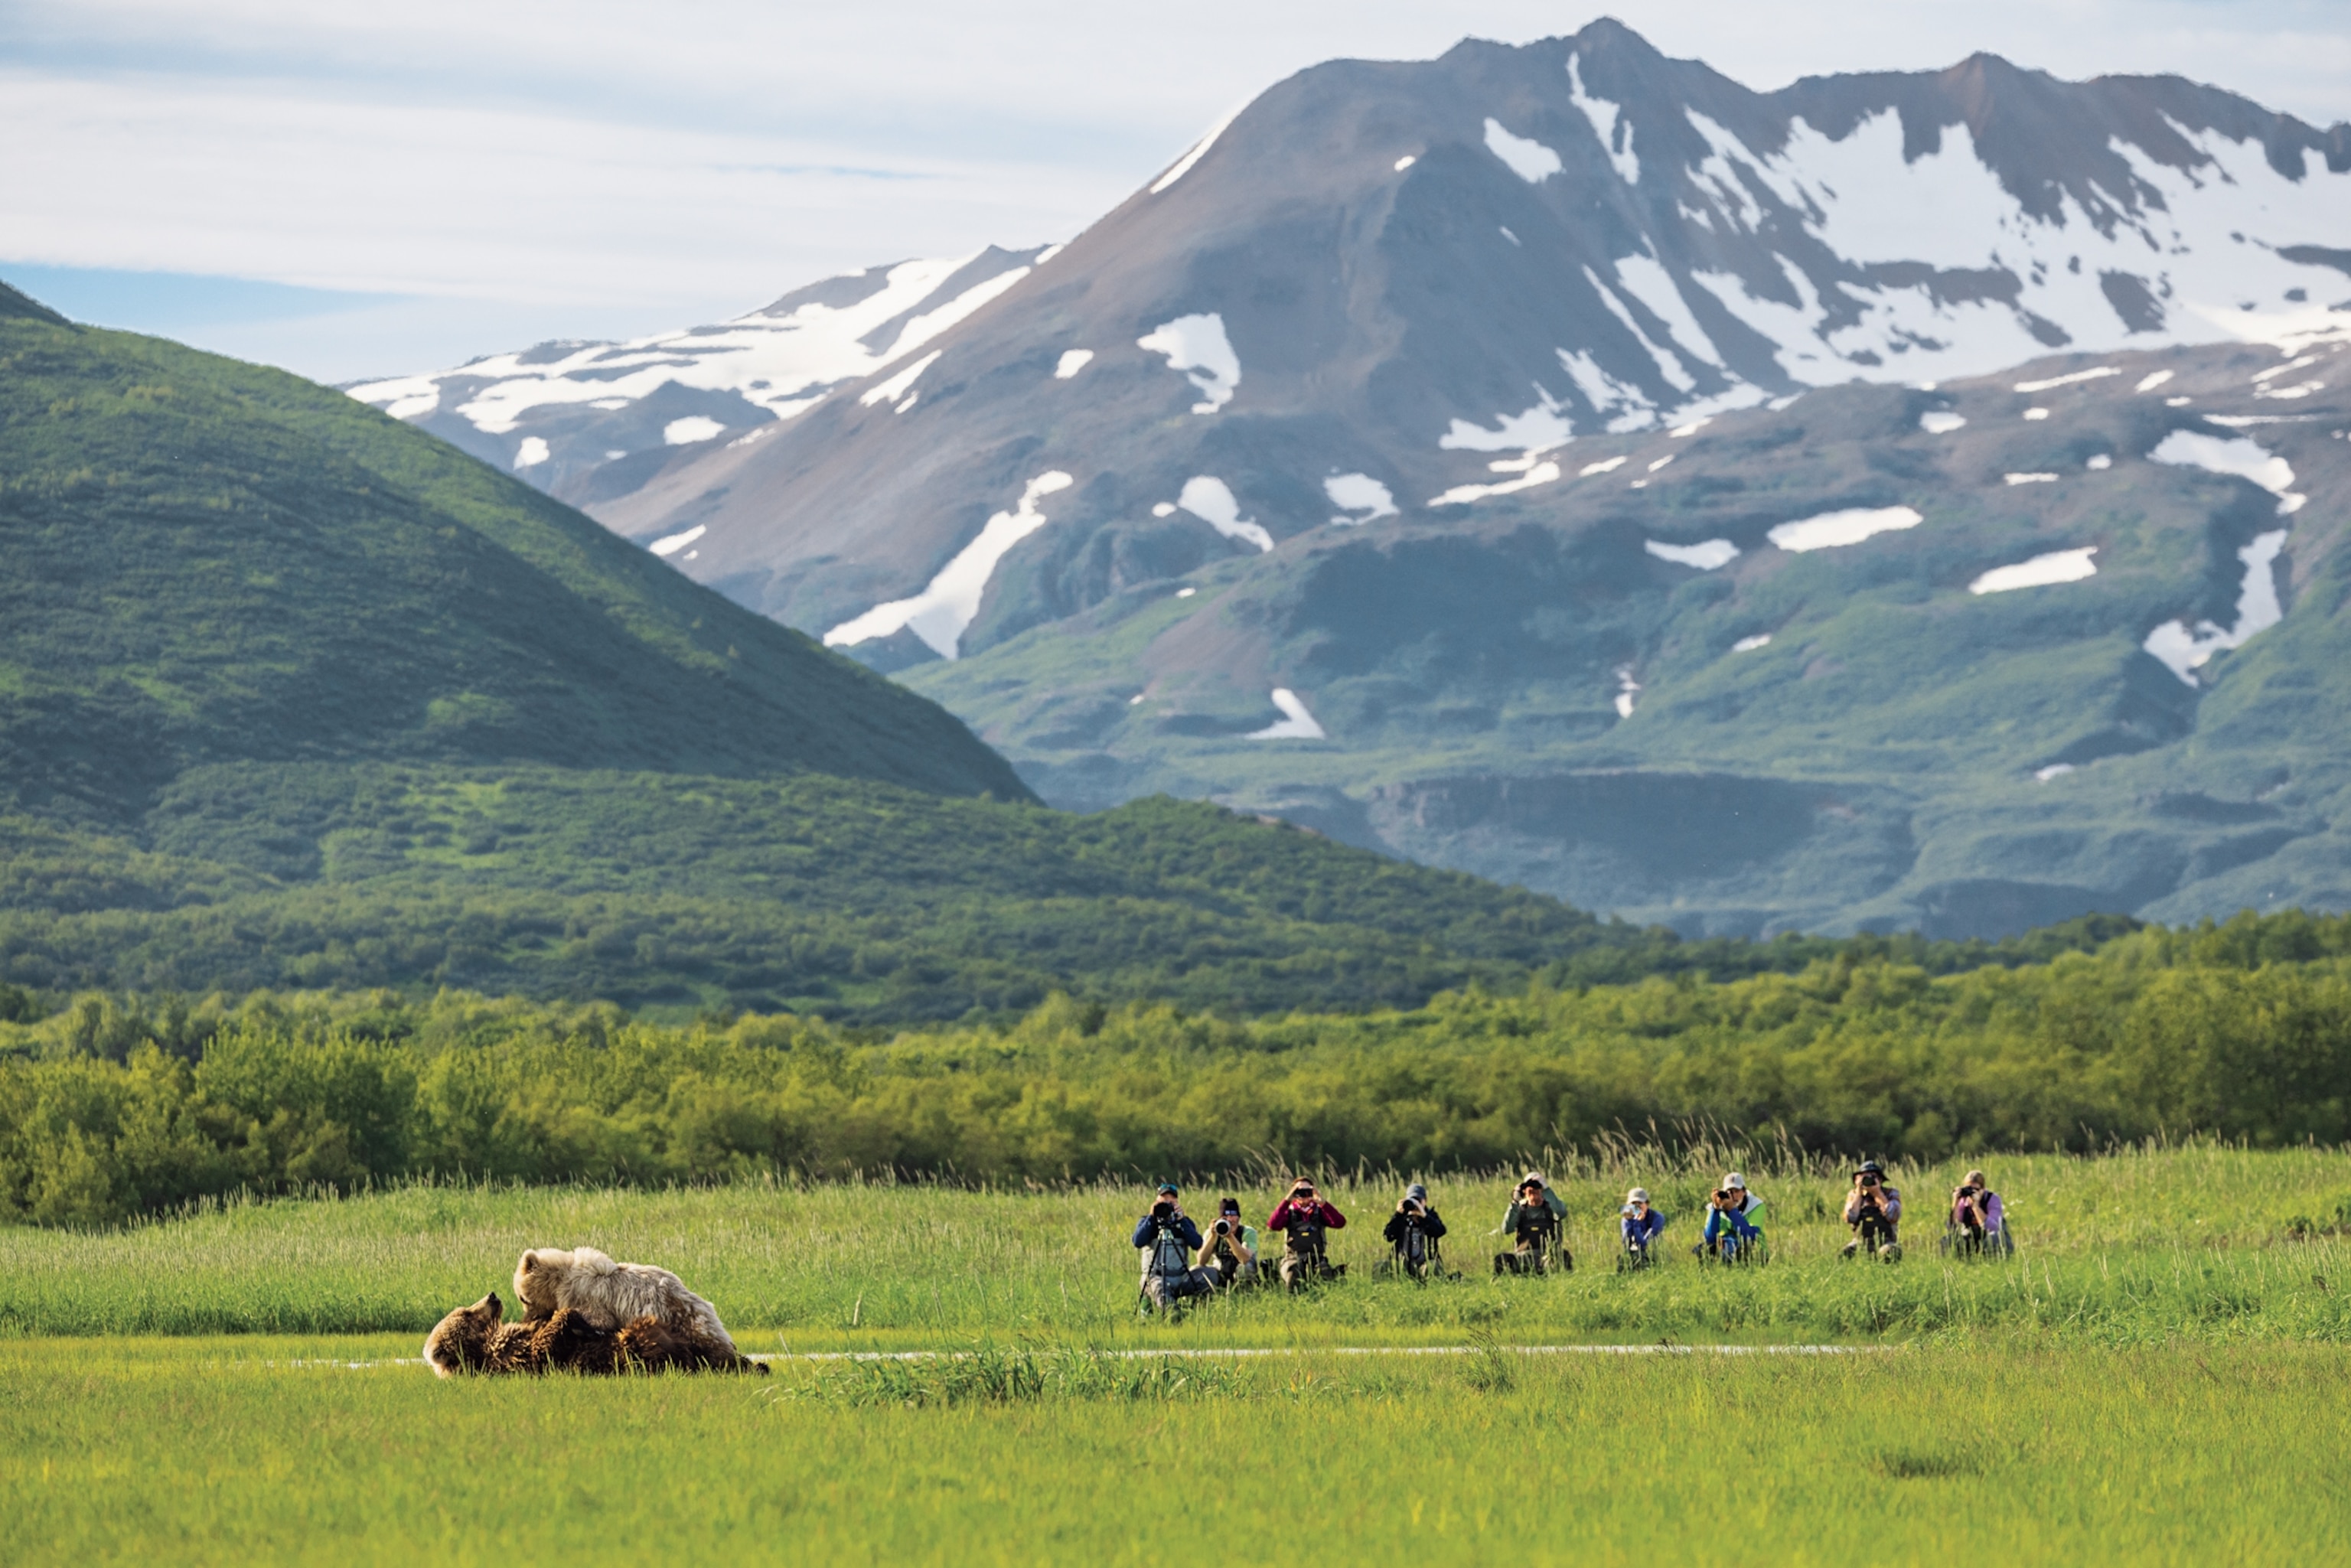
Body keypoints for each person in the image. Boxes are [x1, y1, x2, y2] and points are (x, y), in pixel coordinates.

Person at [1130, 1182, 1213, 1312]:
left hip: (1181, 1277)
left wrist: (1182, 1220)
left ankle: (1199, 1308)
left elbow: (1197, 1244)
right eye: (1163, 1204)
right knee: (1159, 1289)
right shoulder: (1148, 1222)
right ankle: (1173, 1314)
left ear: (1177, 1204)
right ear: (1156, 1203)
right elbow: (1137, 1242)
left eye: (1171, 1204)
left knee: (1211, 1274)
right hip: (1155, 1277)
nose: (1166, 1209)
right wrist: (1152, 1217)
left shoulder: (1183, 1223)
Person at [1268, 1177, 1348, 1289]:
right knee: (1294, 1270)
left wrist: (1323, 1203)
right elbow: (1273, 1225)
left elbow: (1340, 1223)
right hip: (1293, 1258)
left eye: (1307, 1191)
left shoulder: (1320, 1211)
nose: (1304, 1195)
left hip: (1317, 1258)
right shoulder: (1289, 1212)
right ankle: (1293, 1300)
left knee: (1323, 1272)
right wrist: (1286, 1201)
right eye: (1299, 1191)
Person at [1494, 1170, 1570, 1275]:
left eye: (1537, 1187)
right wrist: (1515, 1201)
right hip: (1523, 1257)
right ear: (1524, 1191)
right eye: (1530, 1187)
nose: (1533, 1189)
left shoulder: (1551, 1208)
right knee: (1501, 1259)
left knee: (1563, 1256)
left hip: (1547, 1257)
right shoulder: (1519, 1210)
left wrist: (1546, 1190)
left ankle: (1557, 1279)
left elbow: (1561, 1213)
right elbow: (1507, 1229)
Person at [1381, 1182, 1449, 1280]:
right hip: (1402, 1264)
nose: (1415, 1205)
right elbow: (1388, 1236)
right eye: (1412, 1200)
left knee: (1432, 1266)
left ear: (1425, 1201)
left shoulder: (1430, 1216)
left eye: (1418, 1201)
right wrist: (1397, 1215)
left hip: (1424, 1265)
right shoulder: (1401, 1218)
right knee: (1381, 1266)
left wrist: (1424, 1216)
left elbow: (1440, 1231)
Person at [1841, 1160, 1903, 1260]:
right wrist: (1859, 1194)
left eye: (1873, 1177)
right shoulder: (1854, 1195)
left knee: (1890, 1252)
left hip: (1886, 1241)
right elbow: (1850, 1217)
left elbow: (1893, 1216)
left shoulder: (1891, 1194)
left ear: (1880, 1180)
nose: (1869, 1180)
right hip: (1860, 1241)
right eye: (1864, 1177)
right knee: (1846, 1253)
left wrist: (1878, 1194)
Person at [1697, 1172, 1764, 1263]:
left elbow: (1750, 1236)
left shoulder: (1756, 1206)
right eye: (1729, 1192)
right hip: (1727, 1247)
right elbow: (1710, 1237)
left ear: (1744, 1191)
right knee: (1705, 1248)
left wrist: (1732, 1211)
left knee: (1747, 1246)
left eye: (1737, 1191)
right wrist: (1715, 1209)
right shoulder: (1718, 1206)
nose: (1734, 1196)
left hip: (1755, 1253)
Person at [1199, 1196, 1260, 1286]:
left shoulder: (1248, 1232)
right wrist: (1213, 1236)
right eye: (1226, 1216)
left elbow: (1245, 1259)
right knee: (1196, 1271)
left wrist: (1229, 1236)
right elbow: (1202, 1261)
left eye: (1233, 1215)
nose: (1230, 1220)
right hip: (1219, 1271)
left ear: (1239, 1217)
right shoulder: (1212, 1233)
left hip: (1242, 1271)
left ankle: (1246, 1294)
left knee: (1244, 1269)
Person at [1947, 1169, 2006, 1257]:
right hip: (1972, 1234)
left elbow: (1993, 1227)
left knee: (1993, 1239)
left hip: (1992, 1236)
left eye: (1976, 1189)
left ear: (1983, 1189)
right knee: (1949, 1240)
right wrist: (1955, 1203)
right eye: (1969, 1189)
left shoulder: (1992, 1199)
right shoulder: (1963, 1201)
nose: (1972, 1193)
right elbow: (1953, 1227)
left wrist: (1976, 1207)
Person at [1619, 1187, 1667, 1268]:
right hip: (1634, 1253)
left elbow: (1644, 1244)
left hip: (1656, 1253)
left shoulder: (1657, 1218)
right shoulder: (1626, 1219)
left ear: (1647, 1204)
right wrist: (1630, 1222)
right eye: (1634, 1204)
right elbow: (1626, 1243)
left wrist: (1636, 1225)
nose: (1637, 1207)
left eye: (1640, 1203)